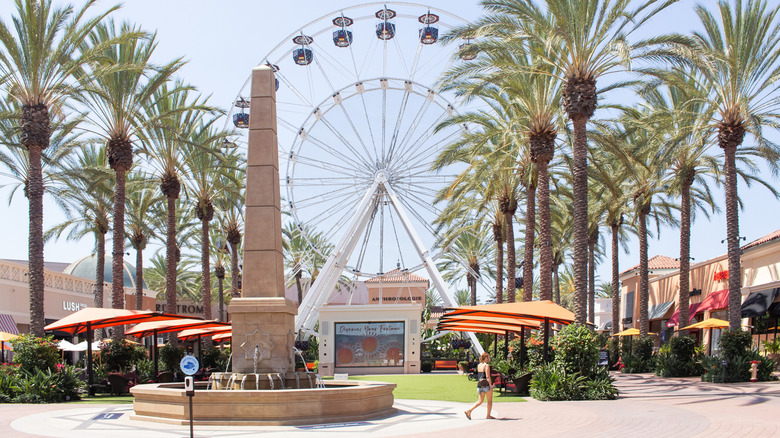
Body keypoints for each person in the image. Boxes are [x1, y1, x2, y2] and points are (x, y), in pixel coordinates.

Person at [464, 352, 495, 420]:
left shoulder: (479, 365)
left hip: (480, 384)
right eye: (488, 357)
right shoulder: (487, 366)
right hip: (486, 385)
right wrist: (490, 386)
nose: (489, 359)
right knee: (489, 400)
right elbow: (487, 376)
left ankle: (469, 410)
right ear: (486, 358)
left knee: (480, 401)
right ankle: (488, 415)